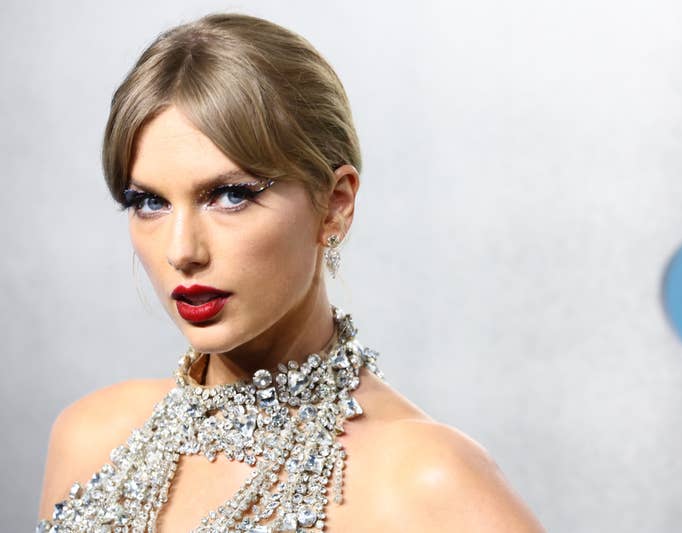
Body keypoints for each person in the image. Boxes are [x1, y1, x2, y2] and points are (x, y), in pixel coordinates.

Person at [36, 12, 545, 533]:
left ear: (334, 206)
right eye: (149, 202)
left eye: (231, 195)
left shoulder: (427, 484)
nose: (181, 251)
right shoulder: (90, 439)